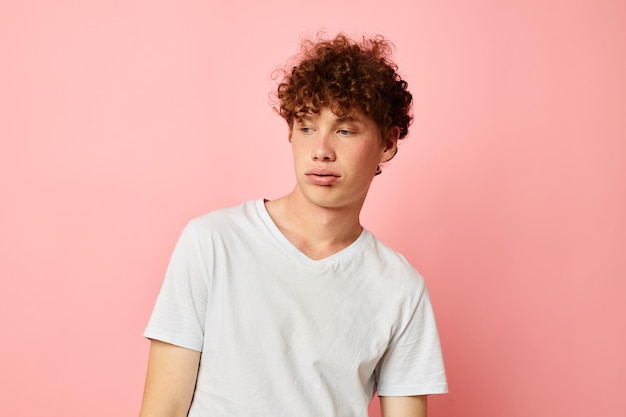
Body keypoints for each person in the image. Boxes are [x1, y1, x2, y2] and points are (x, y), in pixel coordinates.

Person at [139, 33, 447, 417]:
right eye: (305, 127)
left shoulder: (401, 287)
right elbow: (163, 407)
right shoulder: (213, 243)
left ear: (387, 143)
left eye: (345, 130)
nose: (320, 150)